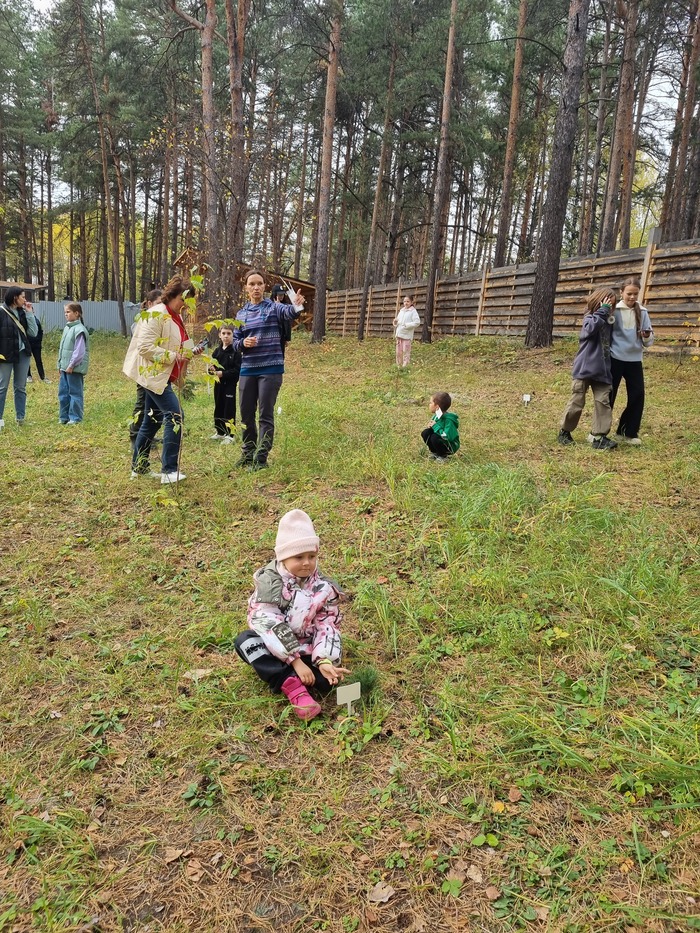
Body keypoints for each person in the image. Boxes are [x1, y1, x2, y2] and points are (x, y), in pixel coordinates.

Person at [234, 509, 350, 721]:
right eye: (299, 557)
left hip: (307, 647)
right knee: (246, 642)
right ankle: (291, 684)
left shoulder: (323, 587)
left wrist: (324, 659)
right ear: (283, 558)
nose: (306, 562)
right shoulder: (270, 584)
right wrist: (294, 660)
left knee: (327, 683)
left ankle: (301, 676)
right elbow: (267, 621)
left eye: (312, 556)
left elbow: (327, 624)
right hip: (274, 645)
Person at [123, 275, 196, 484]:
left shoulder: (175, 315)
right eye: (185, 299)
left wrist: (192, 350)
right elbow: (144, 348)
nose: (187, 304)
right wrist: (174, 356)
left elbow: (182, 339)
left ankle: (139, 468)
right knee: (175, 416)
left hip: (161, 375)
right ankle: (169, 471)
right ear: (173, 295)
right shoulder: (156, 314)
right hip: (152, 375)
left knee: (152, 419)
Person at [232, 270, 305, 470]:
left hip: (270, 369)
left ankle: (261, 458)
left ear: (264, 287)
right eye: (252, 284)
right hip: (247, 370)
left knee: (265, 414)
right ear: (246, 287)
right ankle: (248, 453)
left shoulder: (274, 307)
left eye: (260, 284)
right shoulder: (241, 314)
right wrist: (243, 343)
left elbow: (290, 312)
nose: (256, 287)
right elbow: (234, 342)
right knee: (246, 414)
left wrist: (297, 304)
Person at [557, 286, 618, 450]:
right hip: (584, 369)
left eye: (612, 306)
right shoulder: (589, 318)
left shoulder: (609, 321)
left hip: (603, 370)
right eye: (607, 304)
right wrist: (602, 312)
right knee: (577, 401)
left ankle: (599, 436)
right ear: (598, 302)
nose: (610, 309)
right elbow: (590, 330)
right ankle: (565, 432)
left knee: (603, 402)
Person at [610, 277, 654, 445]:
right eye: (629, 294)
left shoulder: (643, 312)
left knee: (637, 395)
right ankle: (600, 431)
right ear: (621, 293)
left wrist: (647, 336)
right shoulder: (614, 311)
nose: (632, 297)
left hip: (635, 360)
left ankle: (627, 432)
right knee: (609, 396)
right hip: (615, 359)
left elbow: (649, 342)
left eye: (635, 294)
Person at [128, 289, 164, 455]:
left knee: (154, 405)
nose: (161, 308)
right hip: (144, 368)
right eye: (158, 304)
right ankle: (135, 435)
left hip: (157, 368)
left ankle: (147, 434)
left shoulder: (162, 319)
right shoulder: (143, 321)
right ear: (150, 304)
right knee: (142, 403)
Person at [0, 286, 39, 430]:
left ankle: (20, 418)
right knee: (2, 387)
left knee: (20, 387)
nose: (25, 299)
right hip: (5, 354)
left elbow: (33, 333)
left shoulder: (23, 312)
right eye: (23, 296)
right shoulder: (1, 311)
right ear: (15, 297)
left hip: (23, 354)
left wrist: (30, 314)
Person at [57, 302, 90, 424]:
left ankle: (75, 418)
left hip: (73, 368)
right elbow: (62, 349)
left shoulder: (79, 330)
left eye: (68, 312)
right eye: (65, 312)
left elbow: (79, 351)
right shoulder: (68, 328)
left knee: (75, 393)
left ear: (77, 313)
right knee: (63, 393)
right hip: (65, 367)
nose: (66, 314)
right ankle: (64, 417)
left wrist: (71, 365)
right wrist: (60, 365)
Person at [209, 323, 241, 443]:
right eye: (223, 333)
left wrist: (223, 374)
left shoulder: (236, 352)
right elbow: (211, 368)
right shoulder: (216, 352)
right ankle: (220, 432)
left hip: (230, 385)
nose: (226, 336)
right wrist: (211, 370)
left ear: (233, 335)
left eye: (229, 333)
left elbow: (237, 371)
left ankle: (230, 434)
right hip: (218, 385)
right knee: (219, 406)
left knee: (229, 408)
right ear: (219, 335)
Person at [421, 391, 460, 461]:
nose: (429, 405)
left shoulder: (449, 421)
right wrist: (430, 427)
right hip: (441, 441)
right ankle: (435, 452)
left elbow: (447, 437)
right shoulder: (436, 416)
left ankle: (443, 455)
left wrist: (435, 427)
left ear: (437, 407)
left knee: (434, 437)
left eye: (431, 403)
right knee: (426, 433)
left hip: (450, 445)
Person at [393, 296, 421, 367]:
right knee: (398, 352)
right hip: (399, 335)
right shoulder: (402, 311)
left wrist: (406, 325)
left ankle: (405, 367)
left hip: (407, 335)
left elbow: (417, 322)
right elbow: (398, 321)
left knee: (406, 352)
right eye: (405, 301)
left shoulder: (413, 311)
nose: (406, 303)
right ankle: (398, 367)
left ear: (411, 302)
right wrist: (395, 322)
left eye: (408, 301)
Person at [27, 316, 51, 384]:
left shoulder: (36, 320)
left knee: (39, 361)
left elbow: (40, 331)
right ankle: (28, 376)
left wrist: (39, 340)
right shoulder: (25, 319)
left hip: (36, 345)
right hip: (28, 344)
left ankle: (43, 377)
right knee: (27, 361)